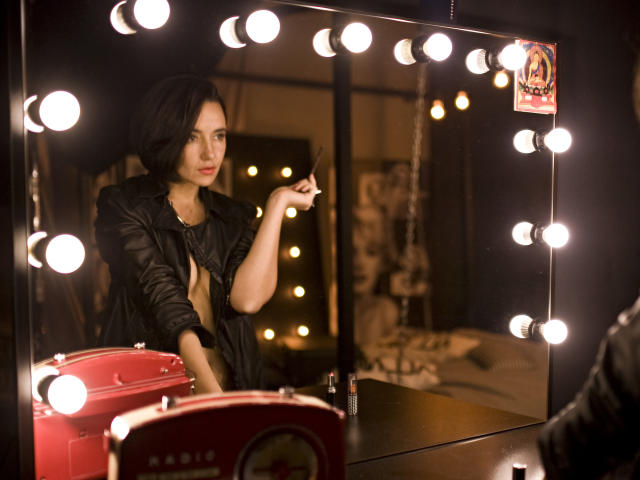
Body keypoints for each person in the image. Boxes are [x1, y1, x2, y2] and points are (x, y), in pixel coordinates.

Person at [95, 74, 318, 393]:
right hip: (157, 392)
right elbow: (165, 304)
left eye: (219, 136)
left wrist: (277, 204)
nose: (210, 153)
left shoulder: (231, 216)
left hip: (235, 386)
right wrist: (212, 399)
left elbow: (248, 299)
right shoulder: (125, 206)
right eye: (192, 137)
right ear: (162, 137)